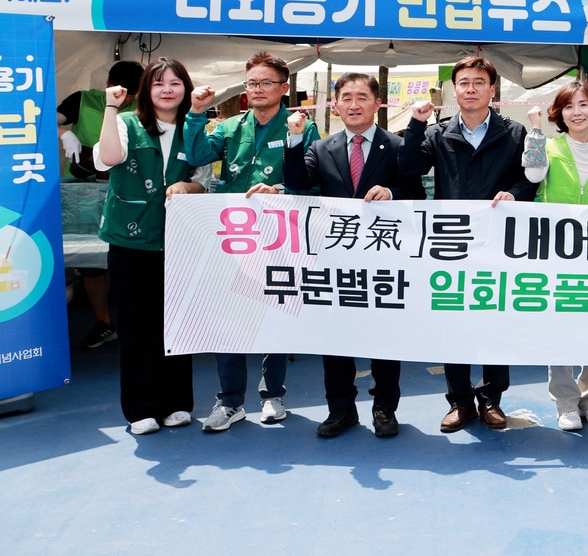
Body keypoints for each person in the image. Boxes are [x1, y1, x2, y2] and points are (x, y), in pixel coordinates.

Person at [282, 73, 425, 439]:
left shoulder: (396, 145)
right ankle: (340, 410)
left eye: (363, 97)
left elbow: (416, 192)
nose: (354, 104)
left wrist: (392, 193)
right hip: (336, 262)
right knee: (336, 339)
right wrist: (295, 138)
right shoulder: (321, 147)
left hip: (383, 259)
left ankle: (384, 409)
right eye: (346, 97)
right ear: (335, 105)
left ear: (378, 104)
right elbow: (299, 182)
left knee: (384, 338)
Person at [400, 55, 536, 433]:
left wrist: (514, 194)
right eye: (464, 82)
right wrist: (415, 123)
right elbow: (409, 169)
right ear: (454, 89)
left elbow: (531, 181)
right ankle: (459, 401)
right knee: (453, 322)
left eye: (479, 82)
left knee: (495, 319)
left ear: (493, 90)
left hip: (498, 243)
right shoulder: (437, 132)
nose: (471, 88)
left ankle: (491, 399)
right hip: (452, 243)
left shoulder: (515, 133)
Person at [185, 52, 320, 432]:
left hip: (278, 235)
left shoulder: (300, 127)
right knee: (227, 317)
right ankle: (230, 401)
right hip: (234, 237)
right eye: (251, 83)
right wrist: (197, 112)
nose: (257, 90)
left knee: (275, 312)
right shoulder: (229, 127)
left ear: (284, 88)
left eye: (265, 83)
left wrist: (277, 187)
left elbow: (311, 180)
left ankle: (273, 394)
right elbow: (197, 155)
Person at [93, 58, 211, 434]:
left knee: (177, 322)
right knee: (136, 324)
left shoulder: (195, 128)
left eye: (176, 82)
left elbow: (205, 179)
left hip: (178, 241)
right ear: (147, 89)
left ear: (187, 89)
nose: (167, 90)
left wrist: (188, 187)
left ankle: (176, 402)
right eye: (159, 83)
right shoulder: (127, 123)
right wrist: (111, 107)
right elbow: (108, 158)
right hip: (130, 241)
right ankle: (141, 408)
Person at [522, 80, 588, 431]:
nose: (577, 112)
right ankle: (566, 401)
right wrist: (535, 131)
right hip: (556, 252)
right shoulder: (547, 145)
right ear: (560, 113)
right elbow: (533, 174)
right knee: (560, 326)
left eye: (584, 105)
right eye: (569, 106)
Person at [57, 58, 144, 350]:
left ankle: (139, 323)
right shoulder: (82, 100)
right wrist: (64, 133)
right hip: (83, 191)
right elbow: (37, 118)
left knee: (131, 256)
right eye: (124, 91)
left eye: (134, 93)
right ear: (108, 84)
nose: (128, 98)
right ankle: (104, 322)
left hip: (128, 191)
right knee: (90, 262)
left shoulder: (145, 108)